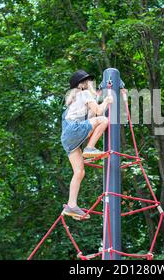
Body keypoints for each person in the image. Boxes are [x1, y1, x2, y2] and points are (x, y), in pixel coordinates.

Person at [60, 70, 113, 220]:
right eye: (89, 81)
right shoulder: (84, 94)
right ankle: (90, 148)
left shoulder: (74, 99)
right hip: (74, 130)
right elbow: (98, 111)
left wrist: (100, 96)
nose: (91, 83)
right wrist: (107, 101)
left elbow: (91, 116)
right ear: (82, 84)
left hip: (67, 138)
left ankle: (72, 205)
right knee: (103, 120)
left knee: (79, 172)